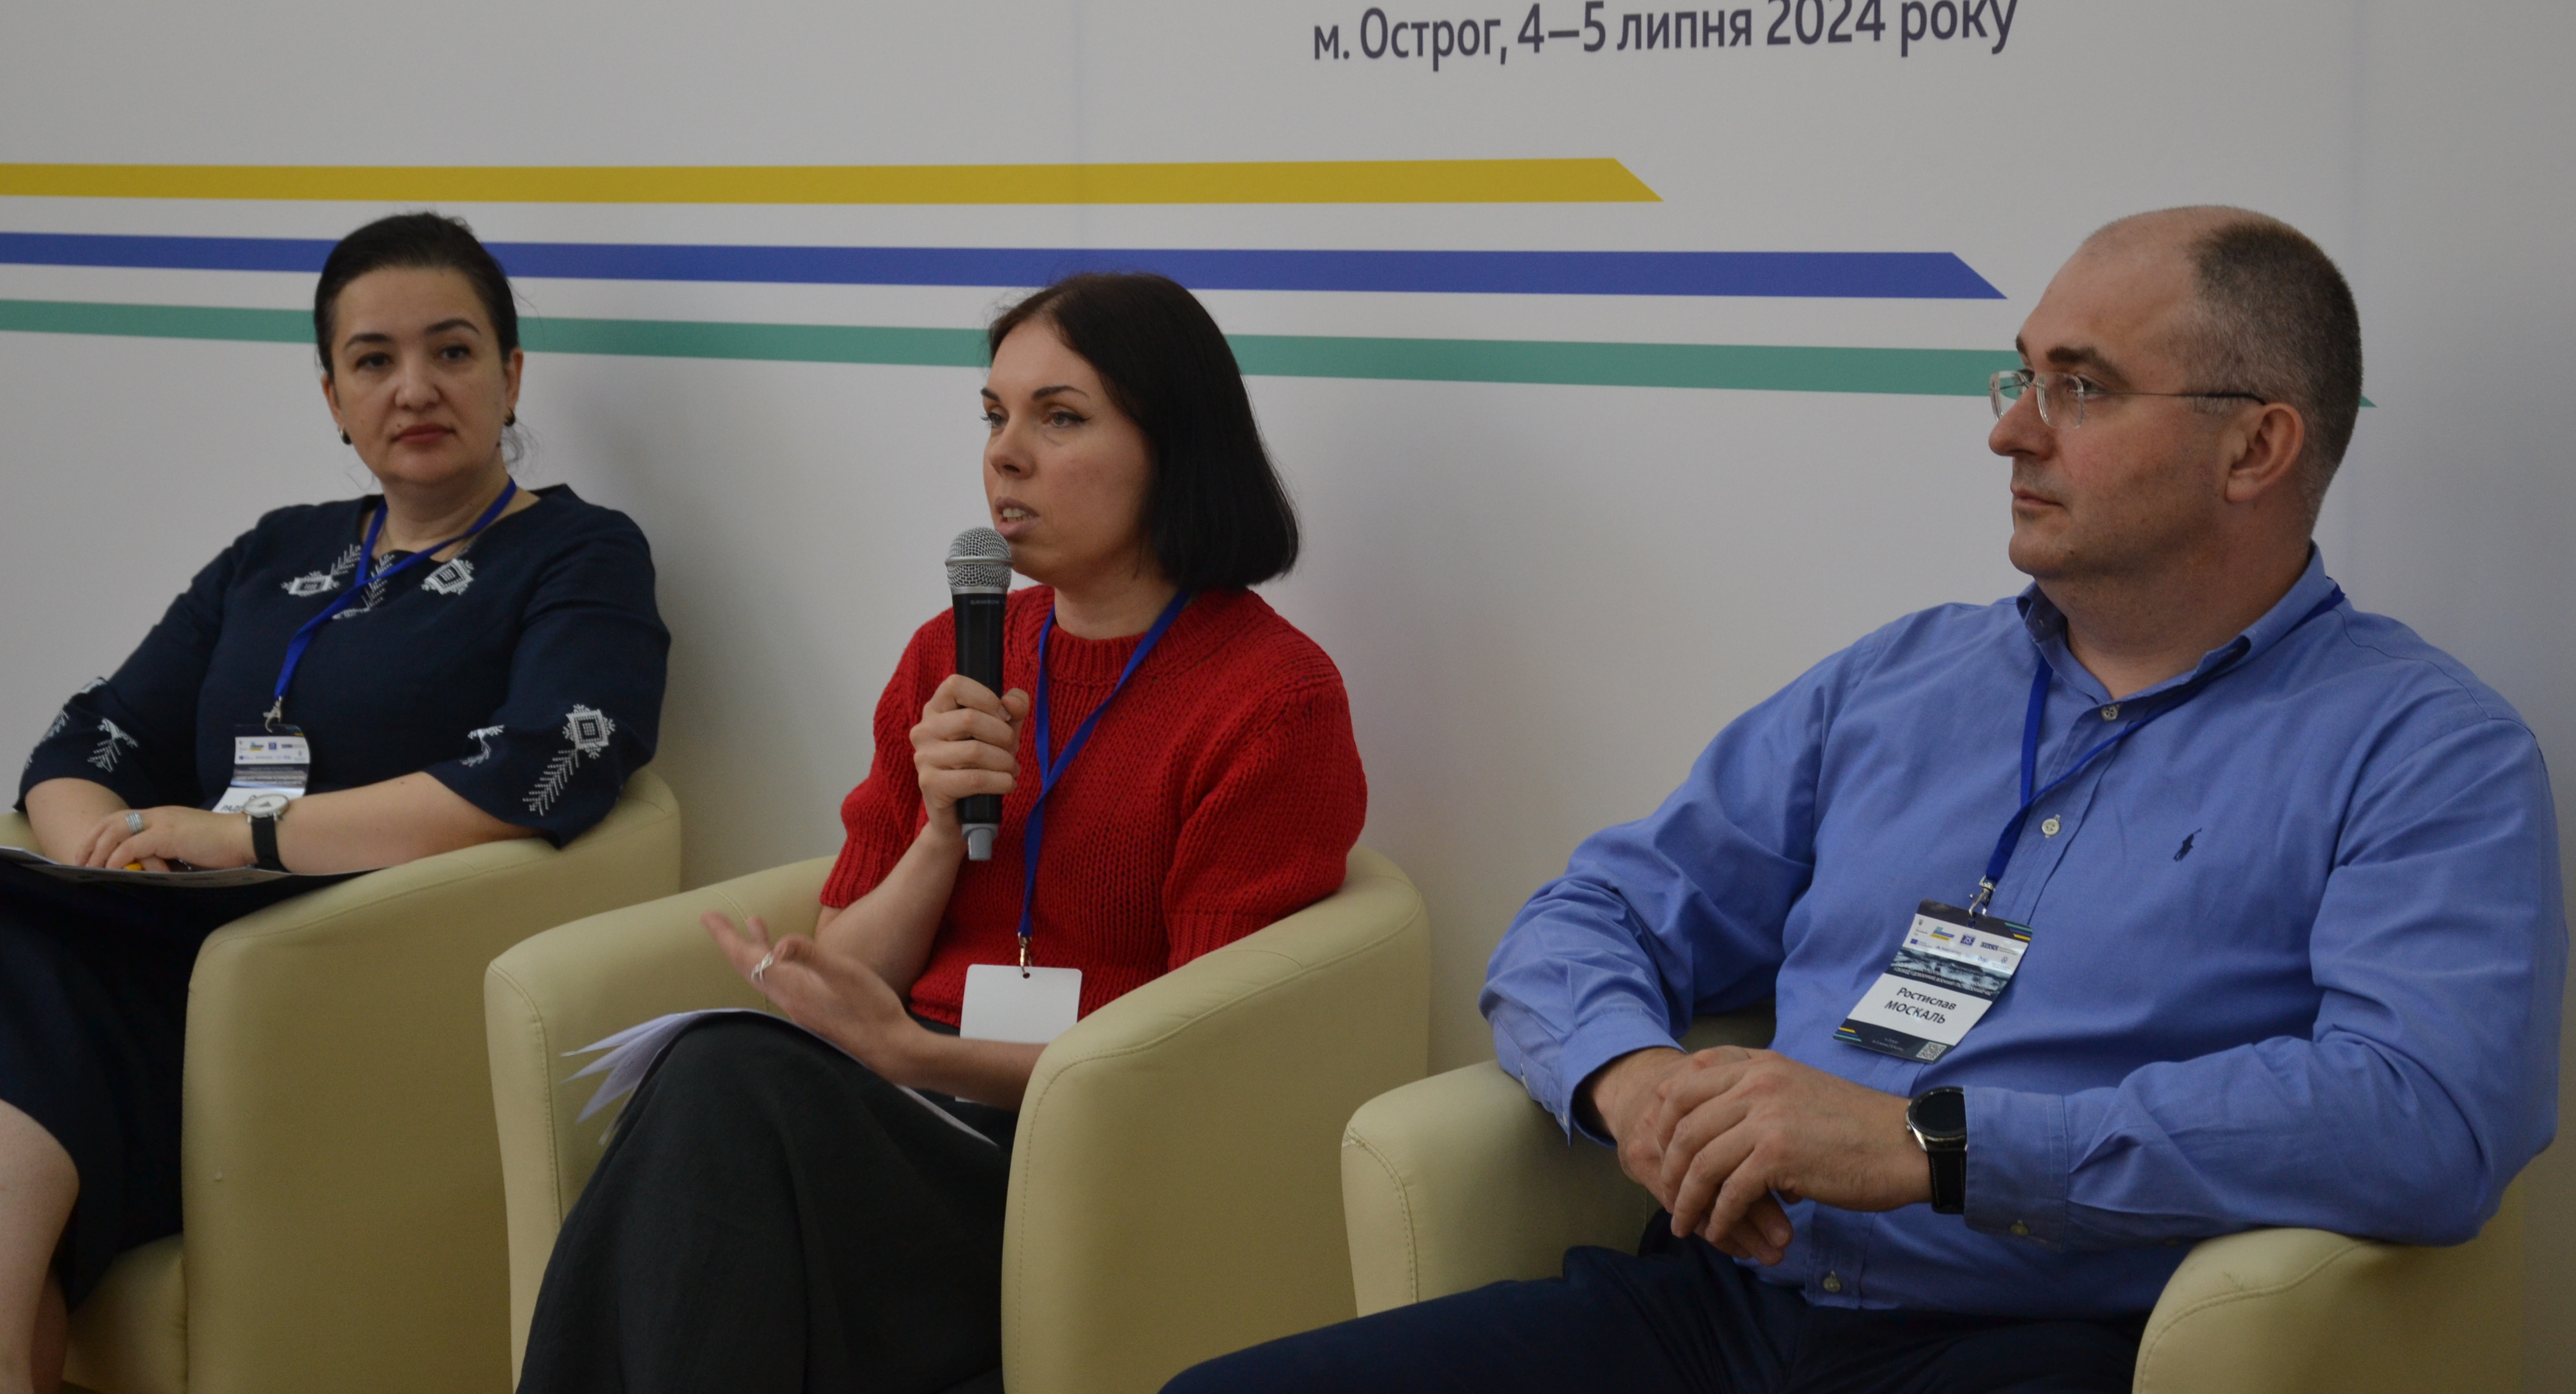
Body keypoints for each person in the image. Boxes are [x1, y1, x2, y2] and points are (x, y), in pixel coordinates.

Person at [1166, 208, 2564, 1394]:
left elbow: (2428, 1117)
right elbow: (1593, 915)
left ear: (2256, 448)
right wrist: (1633, 1085)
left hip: (2037, 1335)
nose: (2011, 432)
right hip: (1726, 1305)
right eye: (2020, 377)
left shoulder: (2424, 752)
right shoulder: (1900, 683)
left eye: (2080, 389)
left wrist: (1932, 1146)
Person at [515, 271, 1370, 1394]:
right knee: (717, 1091)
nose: (1004, 456)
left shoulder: (1272, 700)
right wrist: (936, 831)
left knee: (724, 1088)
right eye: (994, 415)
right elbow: (852, 967)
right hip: (906, 1114)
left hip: (1069, 1162)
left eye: (1059, 419)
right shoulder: (951, 653)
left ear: (1176, 449)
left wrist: (917, 1054)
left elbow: (1195, 1068)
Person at [2, 212, 669, 1394]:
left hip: (306, 993)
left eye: (452, 351)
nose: (414, 388)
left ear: (511, 375)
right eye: (373, 360)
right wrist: (98, 852)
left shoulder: (579, 554)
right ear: (332, 397)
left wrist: (244, 835)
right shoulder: (278, 551)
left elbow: (548, 766)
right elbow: (91, 734)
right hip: (142, 942)